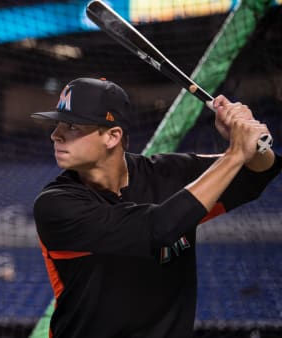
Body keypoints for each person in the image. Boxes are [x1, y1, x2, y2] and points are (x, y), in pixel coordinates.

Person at [30, 77, 281, 338]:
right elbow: (158, 229)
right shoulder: (56, 205)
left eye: (71, 126)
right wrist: (236, 153)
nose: (55, 135)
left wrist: (255, 142)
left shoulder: (167, 173)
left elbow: (258, 173)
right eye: (57, 125)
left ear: (112, 136)